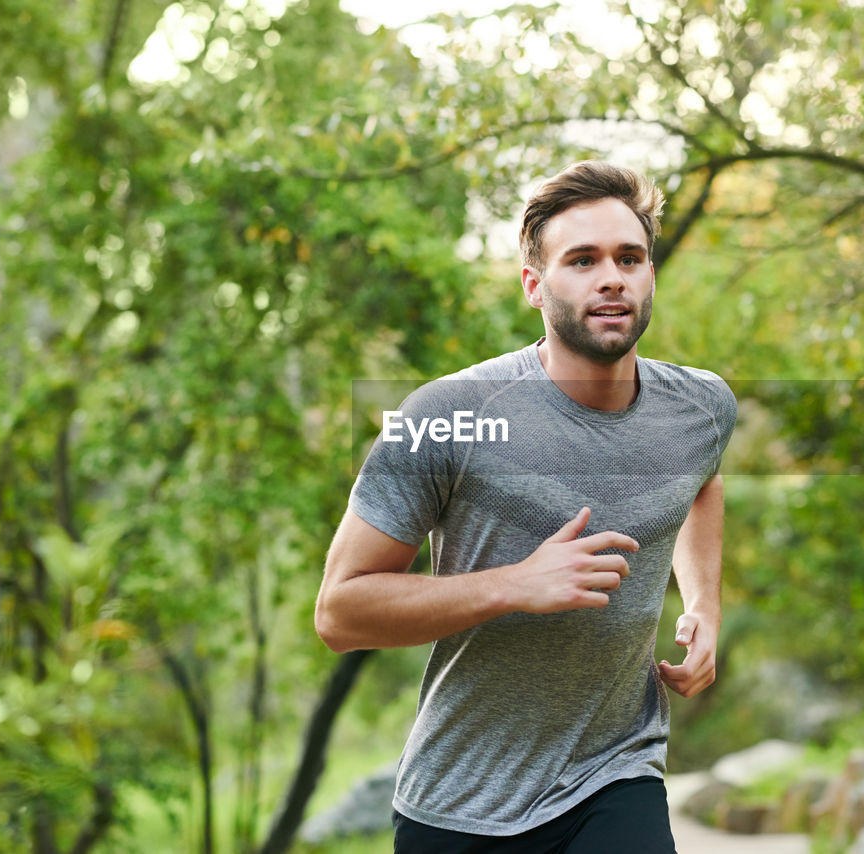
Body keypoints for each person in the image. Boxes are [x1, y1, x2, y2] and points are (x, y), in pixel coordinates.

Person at [315, 160, 737, 853]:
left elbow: (703, 484)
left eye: (631, 257)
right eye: (582, 260)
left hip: (616, 770)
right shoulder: (448, 415)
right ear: (533, 286)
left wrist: (704, 607)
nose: (612, 277)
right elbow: (339, 612)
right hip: (462, 802)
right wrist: (516, 584)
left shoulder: (699, 409)